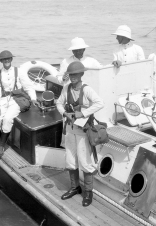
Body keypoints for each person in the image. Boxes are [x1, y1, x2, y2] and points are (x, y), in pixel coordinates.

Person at [56, 61, 104, 207]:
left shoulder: (87, 89)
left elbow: (99, 103)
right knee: (70, 160)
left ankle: (88, 192)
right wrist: (65, 113)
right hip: (70, 129)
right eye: (71, 74)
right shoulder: (66, 88)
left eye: (76, 74)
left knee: (84, 161)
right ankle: (74, 187)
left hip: (83, 131)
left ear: (82, 74)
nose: (73, 77)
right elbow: (58, 103)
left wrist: (83, 113)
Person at [0, 50, 38, 159]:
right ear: (1, 61)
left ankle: (0, 146)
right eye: (4, 59)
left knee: (7, 119)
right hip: (2, 100)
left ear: (11, 59)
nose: (6, 61)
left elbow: (28, 86)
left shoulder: (19, 71)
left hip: (16, 100)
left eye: (8, 59)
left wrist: (34, 98)